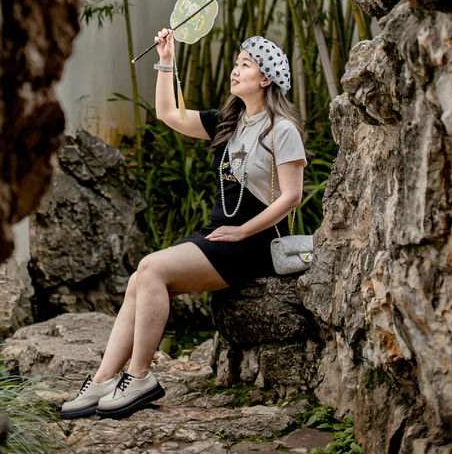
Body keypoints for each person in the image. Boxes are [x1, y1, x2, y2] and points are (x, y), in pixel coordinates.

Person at [61, 30, 306, 421]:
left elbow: (291, 196)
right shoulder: (230, 122)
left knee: (152, 268)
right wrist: (166, 59)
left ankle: (138, 376)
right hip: (217, 235)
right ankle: (105, 379)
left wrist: (243, 231)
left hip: (250, 243)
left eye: (245, 64)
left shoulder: (282, 130)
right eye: (236, 62)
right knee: (138, 279)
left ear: (266, 79)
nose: (234, 69)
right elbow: (169, 115)